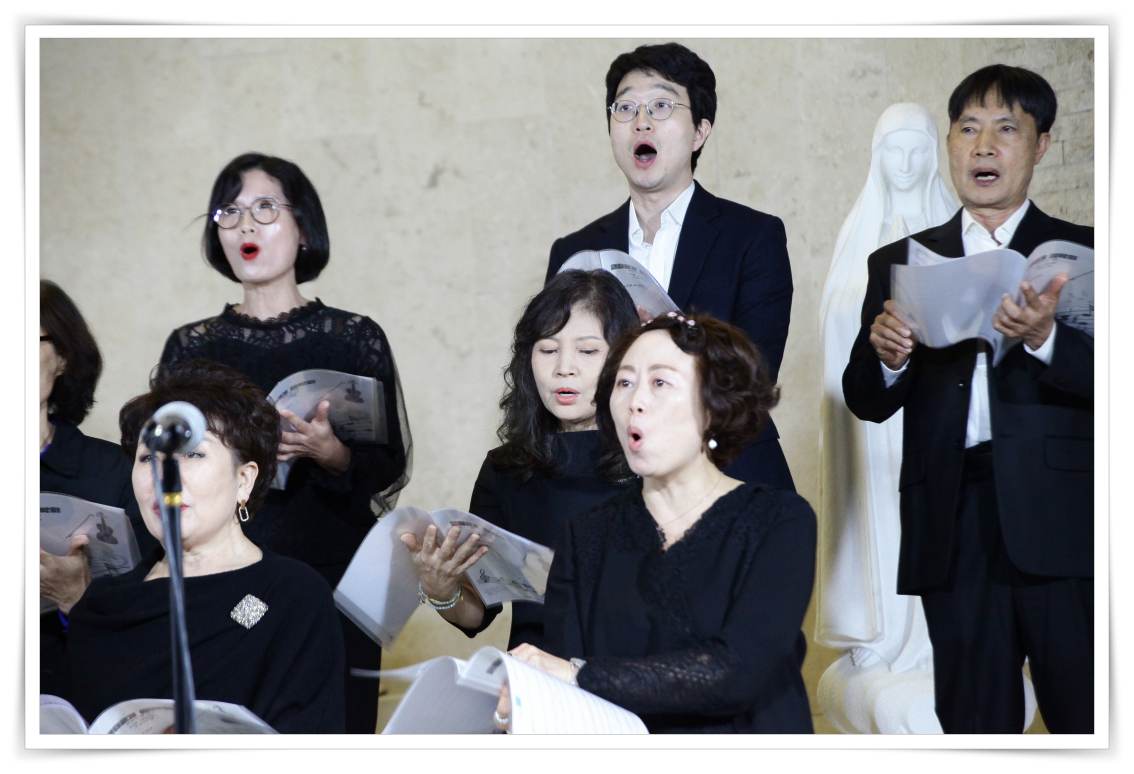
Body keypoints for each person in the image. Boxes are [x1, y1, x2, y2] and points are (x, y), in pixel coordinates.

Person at [842, 65, 1093, 733]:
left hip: (1065, 517)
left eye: (1005, 129)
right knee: (975, 721)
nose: (983, 146)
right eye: (968, 128)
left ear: (1040, 144)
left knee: (1088, 712)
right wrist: (889, 357)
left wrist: (1045, 339)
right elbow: (863, 397)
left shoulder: (1087, 253)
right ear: (950, 143)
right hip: (951, 517)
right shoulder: (899, 260)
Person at [159, 152, 411, 733]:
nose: (245, 225)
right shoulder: (191, 349)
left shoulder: (353, 337)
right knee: (231, 731)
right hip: (226, 574)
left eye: (265, 208)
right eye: (230, 212)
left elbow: (388, 464)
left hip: (336, 577)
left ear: (303, 229)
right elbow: (164, 469)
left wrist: (330, 452)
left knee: (331, 732)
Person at [505, 312, 816, 733]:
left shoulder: (779, 519)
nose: (635, 401)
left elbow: (738, 670)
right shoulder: (584, 536)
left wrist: (579, 674)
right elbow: (566, 697)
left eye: (660, 383)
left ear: (714, 405)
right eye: (624, 383)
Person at [545, 42, 794, 492]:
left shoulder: (753, 236)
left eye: (661, 106)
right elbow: (561, 373)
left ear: (699, 131)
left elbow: (755, 374)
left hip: (728, 473)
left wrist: (669, 337)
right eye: (625, 108)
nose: (641, 121)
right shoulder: (577, 250)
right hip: (607, 481)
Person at [65, 360, 345, 732]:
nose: (165, 476)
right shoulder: (102, 606)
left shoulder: (290, 595)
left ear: (244, 480)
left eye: (194, 454)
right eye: (148, 458)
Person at [400, 270, 639, 651]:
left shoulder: (653, 461)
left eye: (588, 351)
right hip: (534, 675)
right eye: (548, 350)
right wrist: (442, 590)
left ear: (625, 359)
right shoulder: (506, 469)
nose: (564, 367)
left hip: (633, 673)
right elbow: (478, 612)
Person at [814, 103, 958, 733]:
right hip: (872, 423)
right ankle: (882, 634)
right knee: (879, 522)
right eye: (893, 151)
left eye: (917, 150)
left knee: (938, 517)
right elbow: (837, 331)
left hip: (932, 421)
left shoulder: (952, 236)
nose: (904, 163)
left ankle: (930, 641)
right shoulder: (860, 240)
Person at [38, 279, 159, 699]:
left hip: (80, 691)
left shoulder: (114, 472)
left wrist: (76, 597)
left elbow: (148, 611)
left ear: (62, 358)